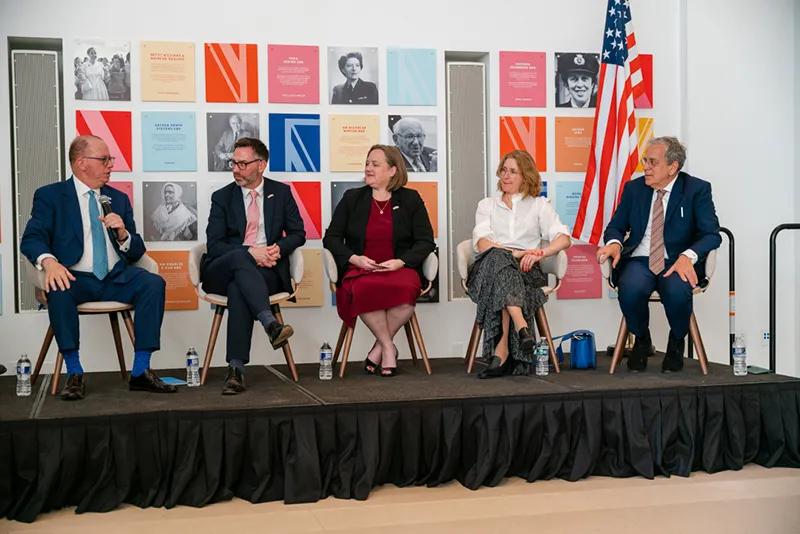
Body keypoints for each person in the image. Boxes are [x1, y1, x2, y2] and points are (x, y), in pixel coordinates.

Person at [20, 135, 174, 400]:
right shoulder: (51, 196)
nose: (111, 165)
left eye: (110, 159)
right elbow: (32, 238)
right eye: (104, 159)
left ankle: (140, 371)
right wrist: (50, 262)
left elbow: (137, 252)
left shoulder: (118, 199)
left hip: (115, 276)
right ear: (81, 163)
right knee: (58, 287)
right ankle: (75, 372)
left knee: (153, 283)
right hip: (75, 277)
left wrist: (124, 235)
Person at [596, 137, 721, 372]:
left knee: (676, 290)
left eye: (653, 162)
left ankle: (676, 341)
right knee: (631, 288)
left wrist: (688, 256)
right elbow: (616, 227)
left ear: (673, 167)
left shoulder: (696, 190)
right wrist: (613, 243)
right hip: (641, 259)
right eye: (645, 160)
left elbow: (711, 235)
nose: (646, 167)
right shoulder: (635, 188)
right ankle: (642, 340)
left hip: (677, 260)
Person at [201, 137, 305, 395]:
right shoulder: (222, 197)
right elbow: (214, 245)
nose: (236, 168)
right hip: (222, 270)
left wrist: (278, 249)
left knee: (240, 289)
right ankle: (270, 322)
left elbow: (298, 233)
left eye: (242, 163)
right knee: (240, 259)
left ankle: (236, 370)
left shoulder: (280, 193)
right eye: (233, 163)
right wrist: (251, 253)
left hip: (265, 272)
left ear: (261, 164)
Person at [323, 145, 435, 377]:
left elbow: (425, 242)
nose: (368, 168)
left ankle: (379, 348)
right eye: (367, 163)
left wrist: (401, 262)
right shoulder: (353, 198)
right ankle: (388, 347)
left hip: (398, 268)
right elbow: (331, 238)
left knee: (407, 289)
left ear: (393, 170)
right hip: (362, 269)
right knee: (364, 288)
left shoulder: (410, 199)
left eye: (375, 164)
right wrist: (356, 259)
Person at [468, 150, 571, 378]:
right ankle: (521, 325)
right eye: (504, 170)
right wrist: (515, 253)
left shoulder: (539, 205)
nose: (506, 176)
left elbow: (564, 238)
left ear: (525, 176)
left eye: (513, 172)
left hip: (526, 269)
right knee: (498, 257)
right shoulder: (487, 205)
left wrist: (541, 252)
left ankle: (501, 351)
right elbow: (483, 243)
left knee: (504, 277)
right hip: (488, 267)